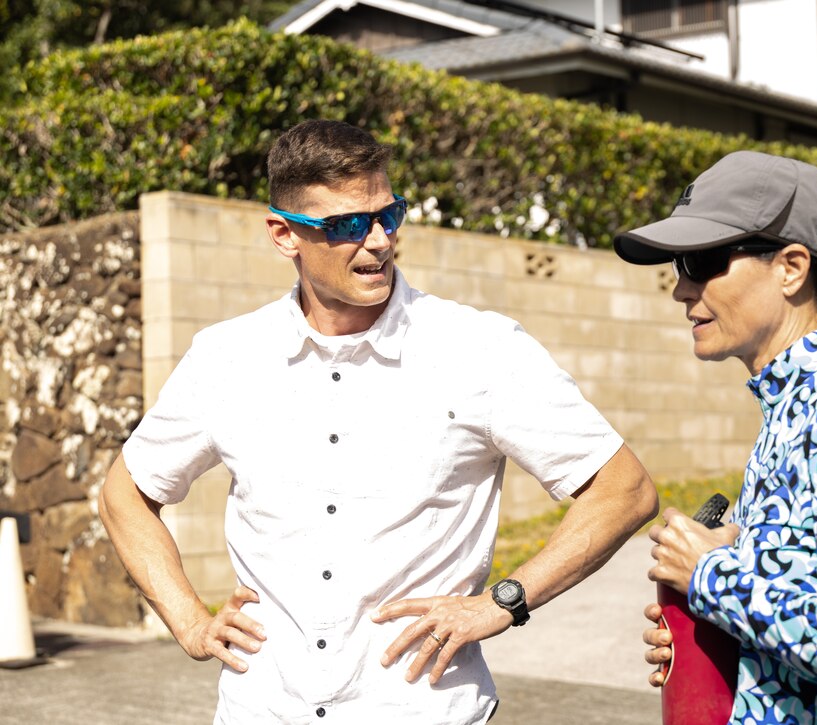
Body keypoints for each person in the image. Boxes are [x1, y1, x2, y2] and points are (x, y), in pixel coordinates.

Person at [99, 119, 658, 724]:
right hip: (262, 709)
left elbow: (623, 489)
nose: (377, 241)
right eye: (345, 226)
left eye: (387, 216)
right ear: (284, 235)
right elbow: (123, 494)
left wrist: (505, 602)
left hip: (420, 710)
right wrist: (187, 619)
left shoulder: (479, 348)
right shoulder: (227, 357)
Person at [612, 151, 817, 723]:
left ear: (791, 266)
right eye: (678, 266)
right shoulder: (792, 414)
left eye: (702, 260)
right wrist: (711, 636)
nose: (682, 290)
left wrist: (711, 577)